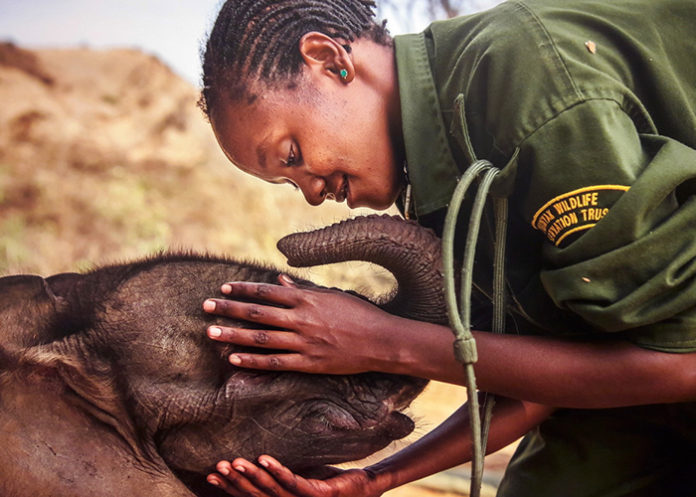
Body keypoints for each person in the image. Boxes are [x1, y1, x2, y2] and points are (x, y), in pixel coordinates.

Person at [196, 0, 696, 495]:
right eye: (287, 180)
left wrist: (385, 343)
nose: (310, 192)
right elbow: (546, 373)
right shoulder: (437, 170)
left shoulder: (521, 82)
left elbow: (682, 360)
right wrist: (377, 479)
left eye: (293, 154)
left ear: (330, 61)